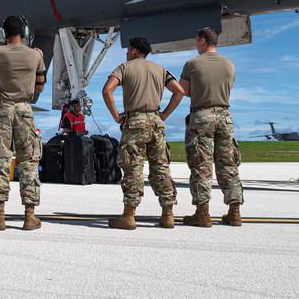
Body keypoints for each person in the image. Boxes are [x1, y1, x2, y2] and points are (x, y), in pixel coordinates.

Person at [102, 37, 185, 230]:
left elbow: (107, 90)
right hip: (156, 122)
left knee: (133, 168)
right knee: (161, 168)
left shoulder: (124, 68)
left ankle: (129, 216)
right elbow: (179, 91)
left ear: (132, 50)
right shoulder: (160, 69)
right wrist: (164, 114)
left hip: (135, 122)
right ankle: (168, 215)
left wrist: (116, 116)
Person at [0, 15, 46, 231]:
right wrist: (39, 59)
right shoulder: (34, 55)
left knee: (0, 161)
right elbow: (39, 87)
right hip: (24, 111)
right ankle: (30, 216)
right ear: (26, 33)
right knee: (28, 162)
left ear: (3, 33)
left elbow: (1, 48)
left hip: (3, 110)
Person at [179, 27, 244, 227]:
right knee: (228, 165)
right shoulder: (229, 65)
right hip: (225, 117)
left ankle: (202, 213)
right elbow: (228, 88)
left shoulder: (192, 64)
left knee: (201, 165)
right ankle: (234, 212)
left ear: (201, 41)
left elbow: (184, 90)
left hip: (201, 116)